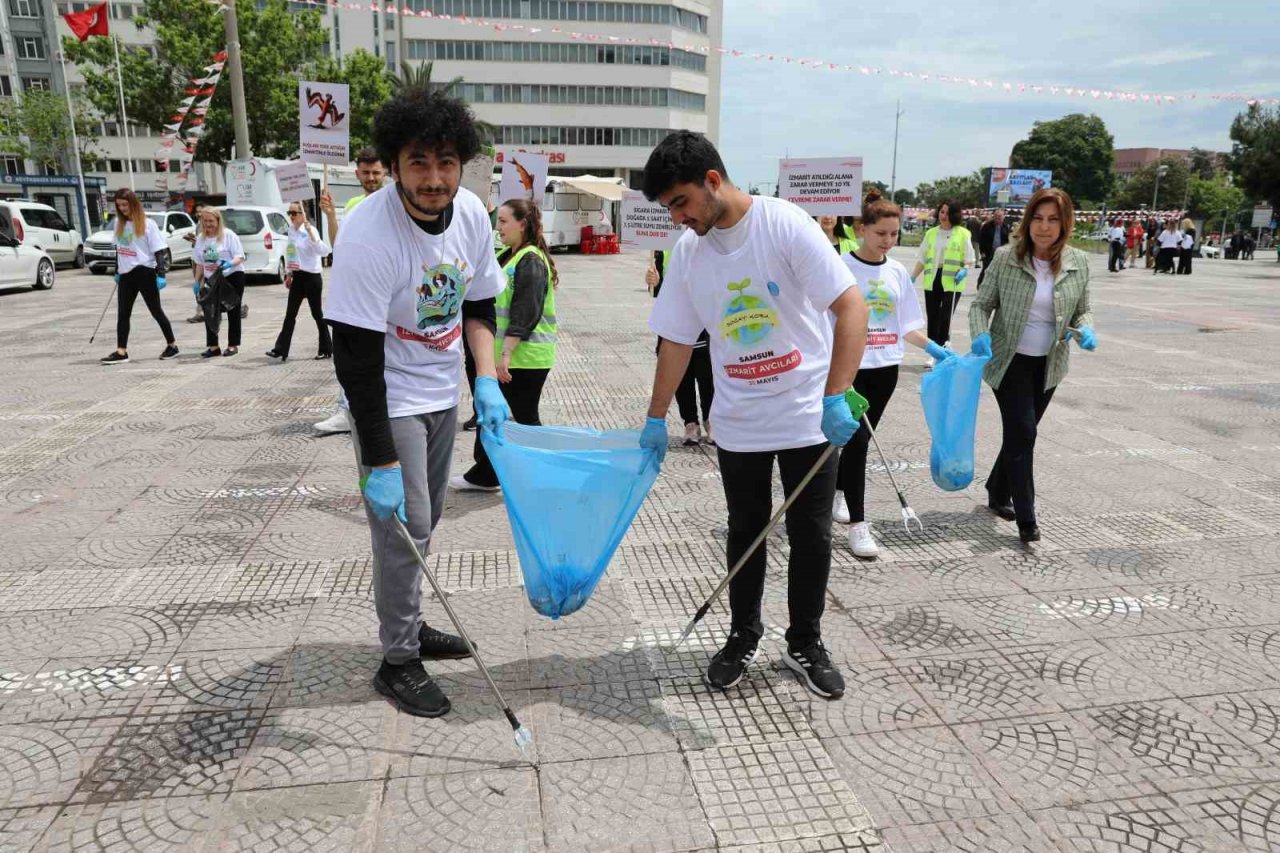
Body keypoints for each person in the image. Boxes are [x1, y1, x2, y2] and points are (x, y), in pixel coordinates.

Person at [639, 130, 869, 699]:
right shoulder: (690, 252)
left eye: (680, 203)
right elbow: (675, 339)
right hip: (738, 420)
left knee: (810, 533)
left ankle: (805, 640)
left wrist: (838, 393)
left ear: (712, 181)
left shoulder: (783, 224)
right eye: (669, 209)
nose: (678, 219)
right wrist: (655, 416)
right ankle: (743, 634)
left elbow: (851, 305)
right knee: (745, 530)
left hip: (805, 415)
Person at [324, 88, 510, 718]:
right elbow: (353, 356)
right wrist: (376, 460)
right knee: (405, 529)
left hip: (441, 391)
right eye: (419, 163)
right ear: (394, 164)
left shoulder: (474, 218)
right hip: (390, 395)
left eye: (447, 163)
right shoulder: (369, 234)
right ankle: (398, 659)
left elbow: (480, 305)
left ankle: (411, 621)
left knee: (421, 528)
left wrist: (484, 378)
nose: (434, 179)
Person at [833, 190, 957, 557]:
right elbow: (826, 321)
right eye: (881, 233)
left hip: (885, 369)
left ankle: (841, 493)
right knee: (855, 442)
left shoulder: (897, 271)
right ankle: (859, 525)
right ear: (861, 229)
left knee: (860, 442)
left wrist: (935, 348)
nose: (888, 241)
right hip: (849, 369)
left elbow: (907, 325)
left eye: (893, 234)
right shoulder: (841, 267)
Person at [968, 187, 1095, 544]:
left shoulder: (1079, 262)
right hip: (1008, 362)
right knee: (1024, 433)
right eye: (1038, 218)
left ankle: (996, 488)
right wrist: (980, 335)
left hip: (1050, 364)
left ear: (1065, 223)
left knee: (1020, 434)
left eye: (1053, 219)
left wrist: (1086, 330)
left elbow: (1084, 308)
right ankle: (1027, 517)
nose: (1044, 227)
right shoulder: (1006, 257)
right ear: (1027, 221)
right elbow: (981, 305)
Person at [450, 198, 558, 491]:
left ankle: (537, 473)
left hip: (525, 358)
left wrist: (506, 354)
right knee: (493, 415)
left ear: (522, 225)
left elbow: (526, 313)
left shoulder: (531, 261)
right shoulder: (507, 255)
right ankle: (486, 474)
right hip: (509, 356)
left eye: (503, 221)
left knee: (522, 418)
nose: (498, 228)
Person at [314, 148, 390, 436]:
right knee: (354, 357)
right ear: (357, 173)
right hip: (359, 293)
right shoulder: (355, 204)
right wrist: (331, 215)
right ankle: (346, 410)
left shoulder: (395, 202)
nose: (371, 177)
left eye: (376, 172)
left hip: (388, 291)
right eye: (366, 172)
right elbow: (338, 243)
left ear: (385, 174)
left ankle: (383, 411)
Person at [99, 189, 178, 365]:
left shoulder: (147, 224)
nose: (122, 208)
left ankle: (172, 345)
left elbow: (159, 251)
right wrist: (117, 271)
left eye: (125, 204)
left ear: (133, 204)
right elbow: (118, 251)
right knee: (123, 313)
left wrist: (161, 274)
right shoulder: (119, 225)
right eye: (119, 205)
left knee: (156, 311)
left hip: (144, 271)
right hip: (126, 275)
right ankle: (121, 351)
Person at [647, 249, 714, 446]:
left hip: (705, 325)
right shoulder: (665, 250)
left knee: (708, 377)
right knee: (681, 378)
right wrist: (654, 281)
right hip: (677, 327)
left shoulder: (709, 241)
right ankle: (690, 423)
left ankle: (711, 421)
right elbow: (659, 293)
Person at [266, 203, 333, 362]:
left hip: (312, 277)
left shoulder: (310, 230)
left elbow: (324, 251)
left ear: (303, 215)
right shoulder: (292, 231)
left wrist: (312, 236)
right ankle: (280, 349)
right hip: (298, 276)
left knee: (317, 314)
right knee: (290, 314)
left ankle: (326, 348)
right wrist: (289, 273)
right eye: (289, 213)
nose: (291, 216)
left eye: (294, 213)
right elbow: (291, 253)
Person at [911, 200, 975, 365]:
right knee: (932, 316)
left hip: (953, 280)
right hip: (932, 279)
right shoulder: (931, 233)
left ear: (954, 214)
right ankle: (933, 352)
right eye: (941, 212)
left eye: (947, 213)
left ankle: (944, 349)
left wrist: (965, 269)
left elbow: (970, 258)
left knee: (945, 317)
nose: (944, 216)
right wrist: (913, 277)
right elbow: (922, 257)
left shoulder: (963, 233)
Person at [193, 207, 247, 358]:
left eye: (211, 221)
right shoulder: (201, 238)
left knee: (233, 310)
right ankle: (213, 346)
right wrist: (197, 282)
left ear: (218, 221)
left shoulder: (228, 235)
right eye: (205, 221)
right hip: (212, 278)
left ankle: (233, 345)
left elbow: (240, 257)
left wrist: (229, 263)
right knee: (210, 310)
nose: (208, 224)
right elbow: (199, 263)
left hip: (232, 275)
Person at [977, 207, 1010, 286]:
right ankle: (980, 285)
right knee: (986, 269)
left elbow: (1008, 241)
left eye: (1000, 217)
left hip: (1001, 254)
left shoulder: (1006, 227)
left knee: (1000, 271)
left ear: (1003, 217)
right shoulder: (987, 226)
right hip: (989, 252)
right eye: (997, 217)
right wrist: (982, 252)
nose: (998, 219)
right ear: (994, 217)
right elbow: (981, 239)